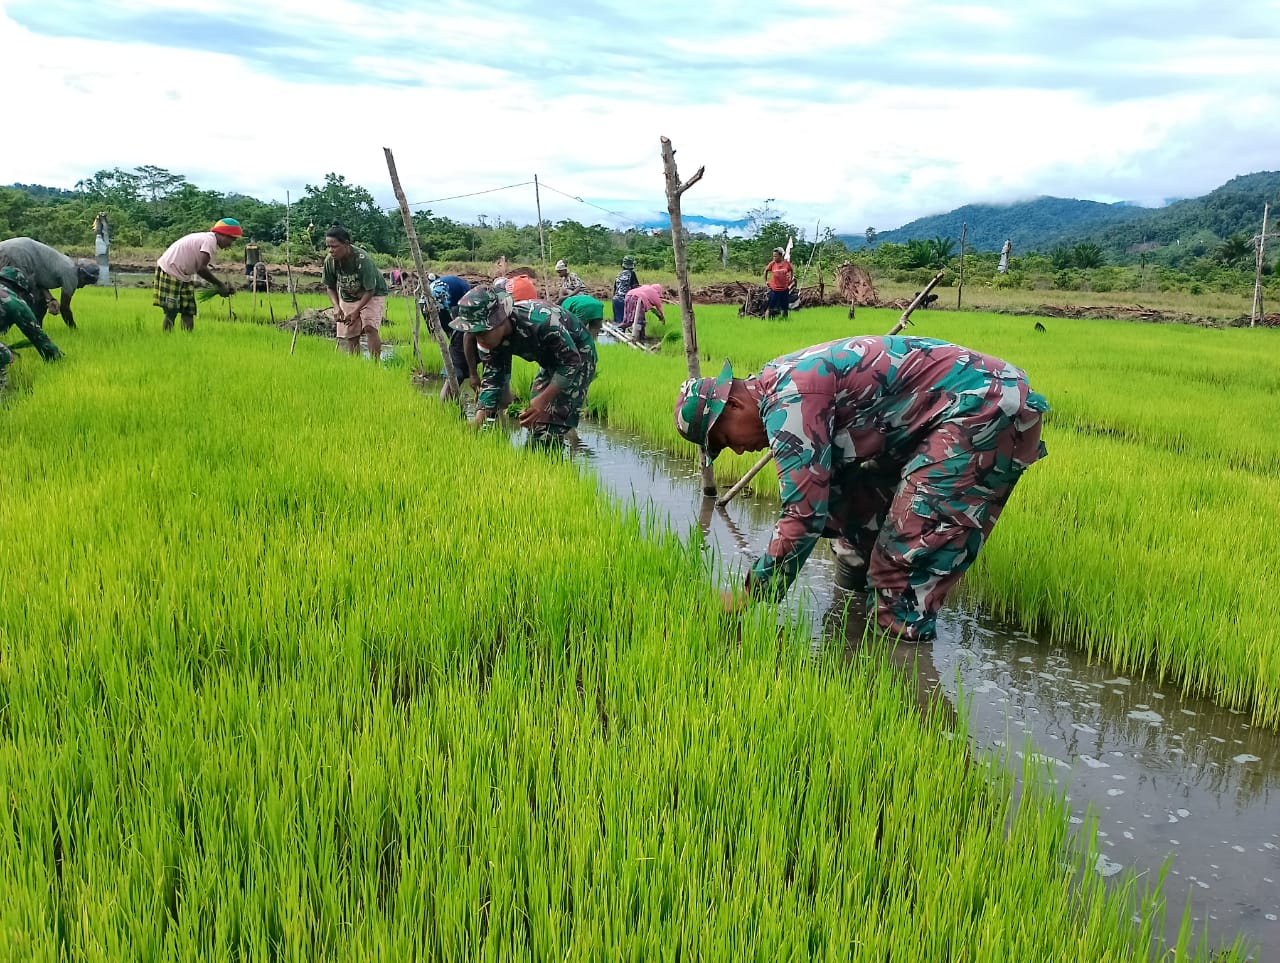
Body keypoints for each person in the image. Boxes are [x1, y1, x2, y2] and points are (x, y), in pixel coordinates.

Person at [673, 335, 1049, 642]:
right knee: (847, 506)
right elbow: (824, 497)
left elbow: (803, 515)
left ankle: (903, 669)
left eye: (726, 439)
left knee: (901, 571)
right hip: (935, 419)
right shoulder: (777, 384)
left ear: (734, 404)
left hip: (983, 406)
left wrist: (749, 594)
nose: (738, 450)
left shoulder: (790, 403)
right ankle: (855, 624)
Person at [452, 285, 595, 450]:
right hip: (550, 361)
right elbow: (492, 378)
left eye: (482, 333)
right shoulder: (491, 340)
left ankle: (549, 458)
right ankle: (542, 455)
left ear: (500, 320)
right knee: (536, 420)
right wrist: (479, 419)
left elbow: (571, 362)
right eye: (475, 335)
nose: (480, 340)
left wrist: (542, 401)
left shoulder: (542, 322)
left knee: (549, 425)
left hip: (579, 356)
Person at [153, 218, 241, 331]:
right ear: (223, 235)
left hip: (184, 275)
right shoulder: (209, 241)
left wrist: (220, 286)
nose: (230, 244)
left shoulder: (208, 240)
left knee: (188, 310)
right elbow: (201, 269)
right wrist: (220, 285)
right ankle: (167, 338)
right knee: (171, 311)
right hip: (170, 270)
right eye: (231, 239)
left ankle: (188, 338)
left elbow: (201, 268)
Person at [0, 237, 99, 328]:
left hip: (12, 247)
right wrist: (73, 329)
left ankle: (36, 329)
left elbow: (37, 281)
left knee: (39, 301)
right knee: (25, 299)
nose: (82, 287)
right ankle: (32, 331)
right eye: (85, 282)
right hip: (19, 253)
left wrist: (50, 299)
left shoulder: (66, 264)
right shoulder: (71, 274)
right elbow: (65, 308)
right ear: (82, 275)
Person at [322, 225, 388, 359]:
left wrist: (357, 310)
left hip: (372, 294)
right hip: (348, 295)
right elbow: (330, 286)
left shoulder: (362, 260)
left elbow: (370, 289)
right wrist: (336, 307)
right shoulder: (330, 261)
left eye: (334, 246)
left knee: (370, 327)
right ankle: (355, 363)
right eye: (328, 247)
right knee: (351, 331)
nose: (331, 250)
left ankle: (375, 364)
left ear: (346, 244)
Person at [0, 266, 63, 362]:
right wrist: (58, 357)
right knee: (5, 354)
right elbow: (38, 337)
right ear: (21, 289)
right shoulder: (15, 303)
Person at [431, 274, 474, 401]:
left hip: (430, 300)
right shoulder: (466, 291)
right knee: (456, 372)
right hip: (440, 301)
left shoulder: (461, 288)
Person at [763, 246, 794, 319]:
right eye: (773, 256)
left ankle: (785, 320)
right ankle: (768, 320)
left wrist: (791, 279)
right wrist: (766, 281)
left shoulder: (786, 264)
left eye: (776, 256)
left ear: (781, 256)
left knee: (784, 307)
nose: (774, 258)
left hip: (784, 289)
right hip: (774, 289)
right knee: (771, 306)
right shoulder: (772, 264)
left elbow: (791, 270)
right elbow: (766, 271)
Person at [612, 255, 640, 327]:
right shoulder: (632, 274)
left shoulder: (619, 274)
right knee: (625, 322)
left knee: (617, 321)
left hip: (616, 299)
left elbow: (615, 288)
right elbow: (635, 288)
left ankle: (616, 333)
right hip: (625, 300)